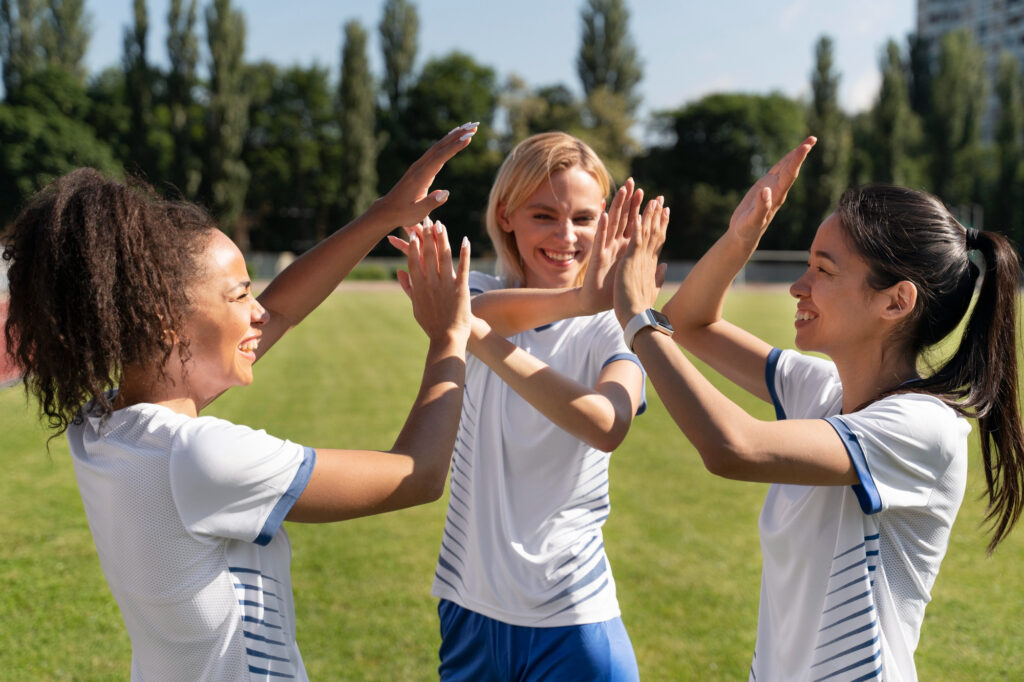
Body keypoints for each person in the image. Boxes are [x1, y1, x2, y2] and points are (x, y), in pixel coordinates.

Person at [2, 124, 479, 680]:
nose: (258, 311)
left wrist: (380, 216)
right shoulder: (199, 457)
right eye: (239, 295)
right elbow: (416, 476)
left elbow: (282, 311)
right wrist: (451, 335)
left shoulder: (105, 425)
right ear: (163, 320)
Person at [613, 136, 1024, 680]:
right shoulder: (822, 391)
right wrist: (741, 236)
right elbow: (691, 323)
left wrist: (638, 317)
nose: (797, 287)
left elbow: (732, 447)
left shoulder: (925, 428)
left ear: (896, 301)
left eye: (824, 271)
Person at [392, 131, 660, 681]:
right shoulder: (479, 294)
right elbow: (477, 308)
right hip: (469, 606)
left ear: (607, 225)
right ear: (506, 215)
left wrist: (473, 334)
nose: (566, 236)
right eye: (544, 215)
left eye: (584, 219)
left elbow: (608, 424)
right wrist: (577, 297)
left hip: (574, 616)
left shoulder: (616, 328)